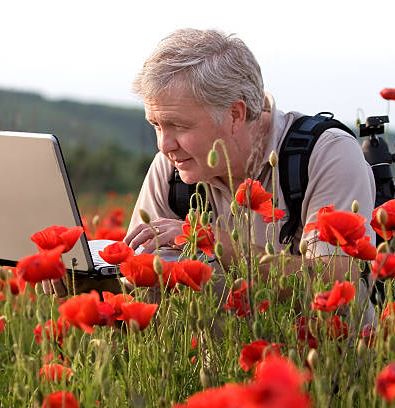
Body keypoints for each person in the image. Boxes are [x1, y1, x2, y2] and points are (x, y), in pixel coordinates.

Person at [123, 28, 376, 288]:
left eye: (180, 126)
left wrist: (212, 240)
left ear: (235, 115)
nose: (164, 145)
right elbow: (136, 285)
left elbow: (336, 284)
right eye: (156, 125)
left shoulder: (326, 154)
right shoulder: (170, 169)